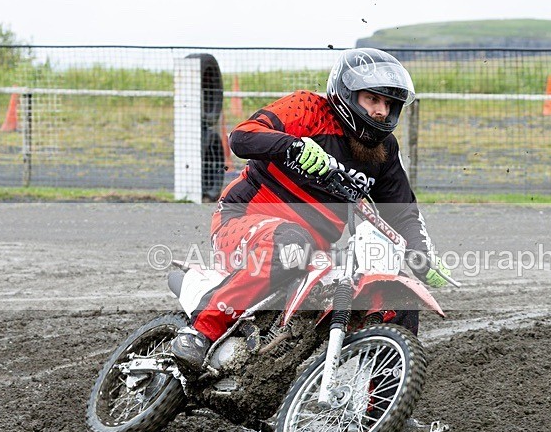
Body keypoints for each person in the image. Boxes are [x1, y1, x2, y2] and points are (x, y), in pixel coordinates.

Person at [171, 48, 450, 375]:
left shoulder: (384, 152)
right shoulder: (307, 108)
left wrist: (420, 252)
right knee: (294, 243)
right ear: (347, 93)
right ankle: (201, 332)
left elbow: (402, 213)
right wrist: (294, 147)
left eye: (388, 104)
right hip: (242, 219)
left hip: (314, 251)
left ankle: (384, 410)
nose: (380, 112)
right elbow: (242, 137)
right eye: (372, 100)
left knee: (395, 297)